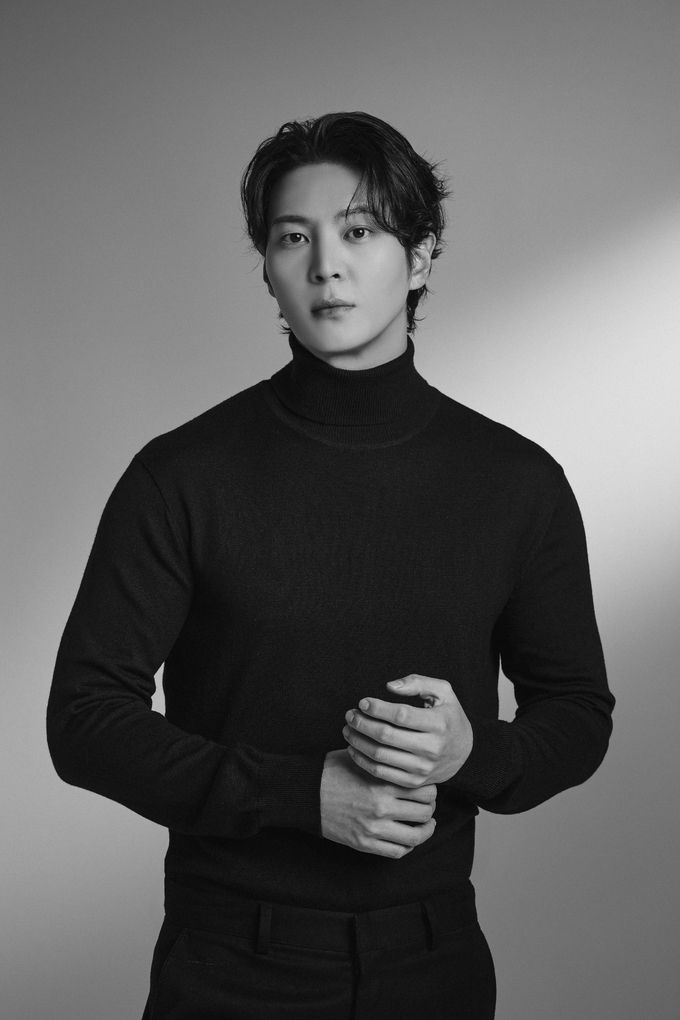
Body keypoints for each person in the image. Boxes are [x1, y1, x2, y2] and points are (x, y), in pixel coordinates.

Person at [47, 111, 615, 1019]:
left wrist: (475, 754)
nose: (326, 266)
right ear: (268, 270)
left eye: (359, 231)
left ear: (420, 258)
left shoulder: (517, 482)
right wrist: (297, 794)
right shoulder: (183, 475)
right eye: (292, 238)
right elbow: (83, 718)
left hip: (433, 962)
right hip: (230, 964)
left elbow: (578, 713)